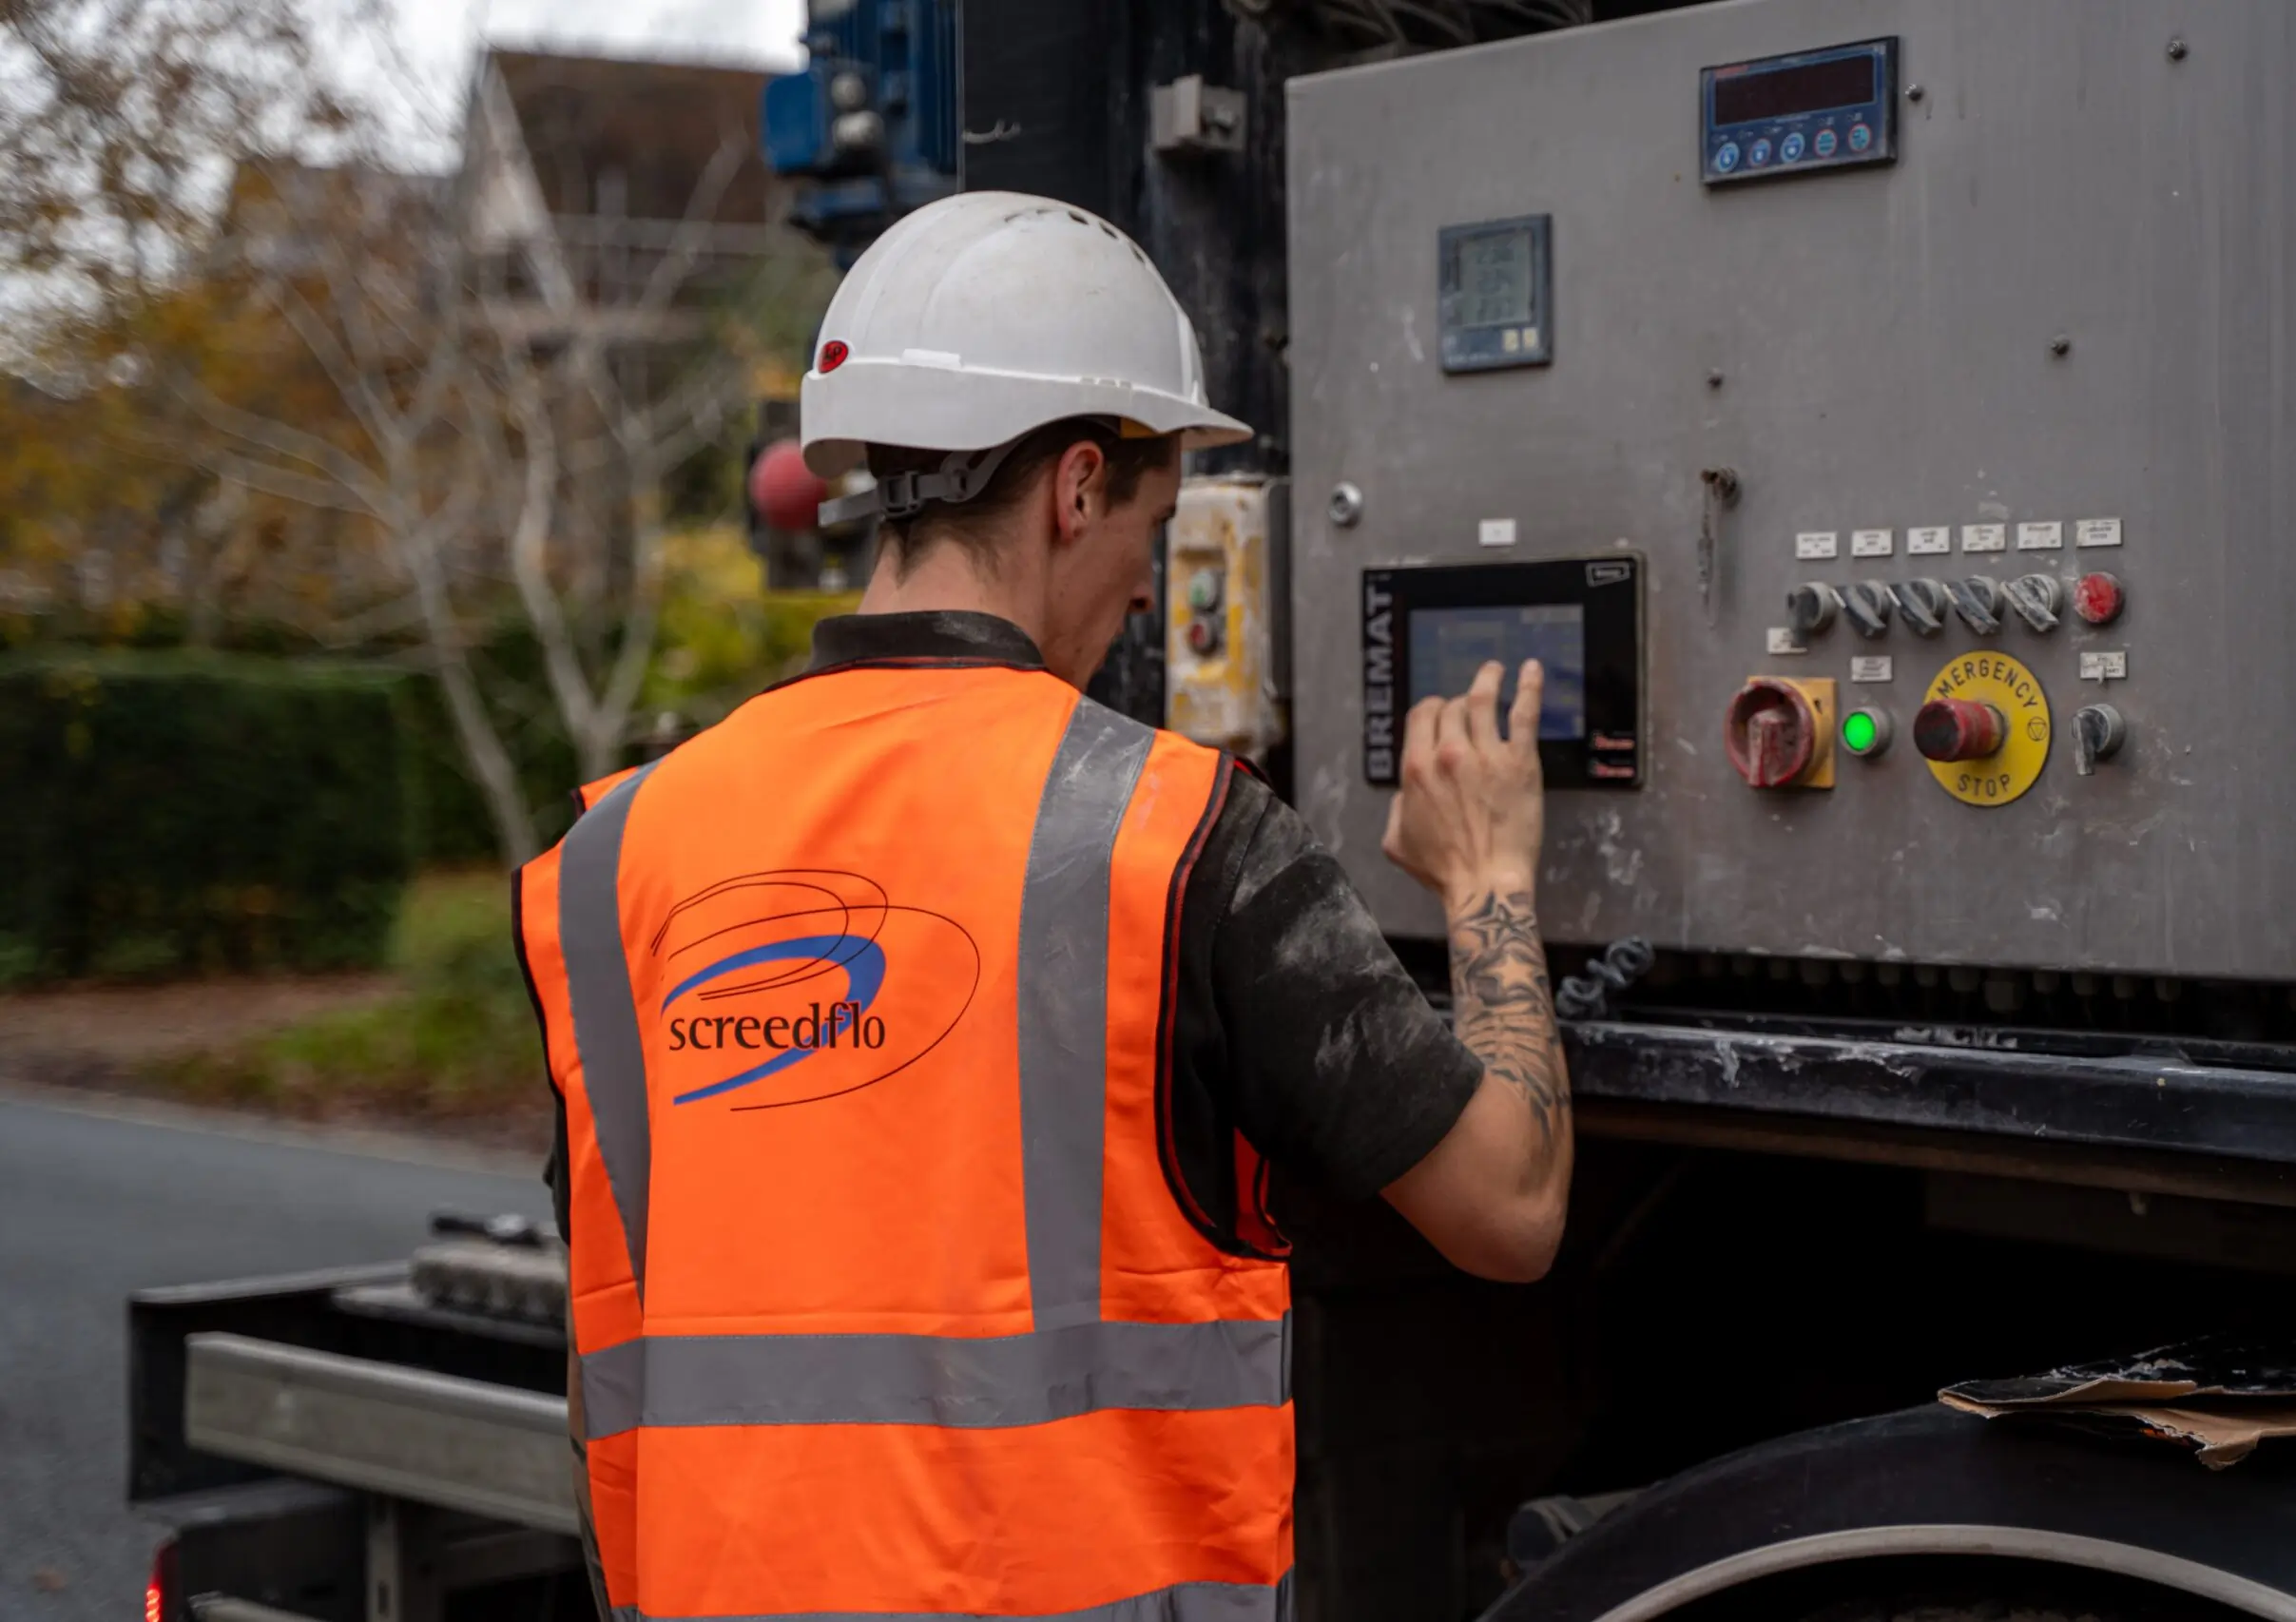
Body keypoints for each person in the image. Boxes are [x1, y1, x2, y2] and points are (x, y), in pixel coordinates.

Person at [514, 191, 1571, 1622]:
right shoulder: (1176, 835)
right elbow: (1511, 1207)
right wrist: (1492, 879)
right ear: (1077, 487)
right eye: (1156, 522)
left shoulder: (605, 864)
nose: (1147, 591)